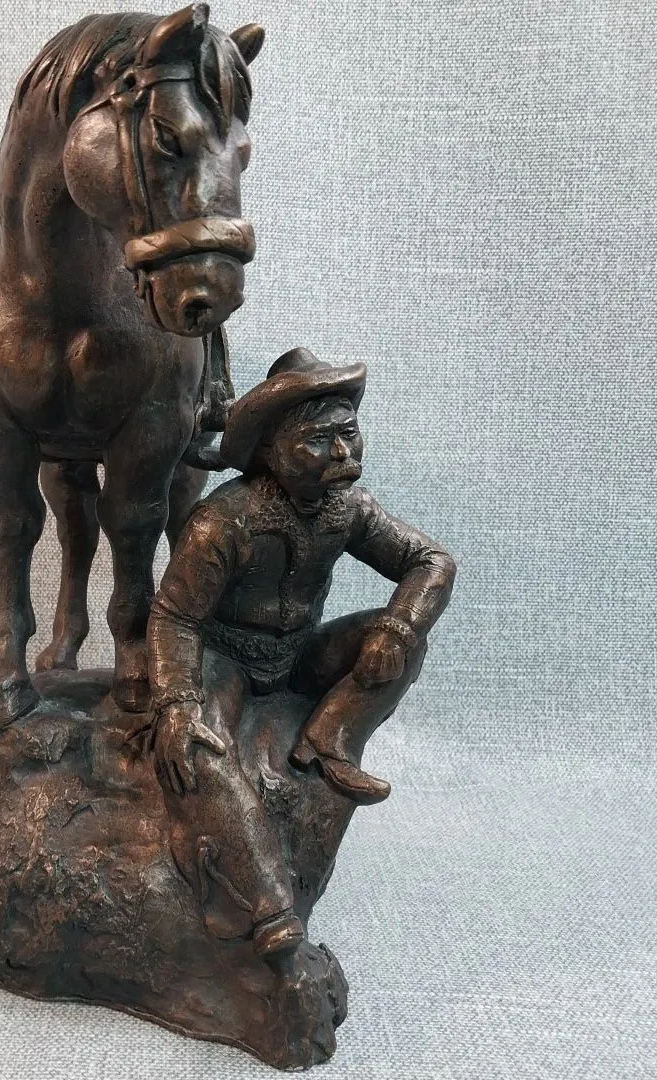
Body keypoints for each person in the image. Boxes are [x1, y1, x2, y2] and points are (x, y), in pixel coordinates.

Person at [146, 347, 456, 961]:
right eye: (318, 440)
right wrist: (177, 701)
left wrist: (397, 629)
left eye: (349, 434)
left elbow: (431, 561)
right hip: (227, 658)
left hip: (297, 655)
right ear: (270, 449)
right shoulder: (223, 521)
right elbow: (175, 616)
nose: (343, 453)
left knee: (405, 642)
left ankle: (329, 738)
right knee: (201, 748)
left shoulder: (347, 508)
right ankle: (270, 909)